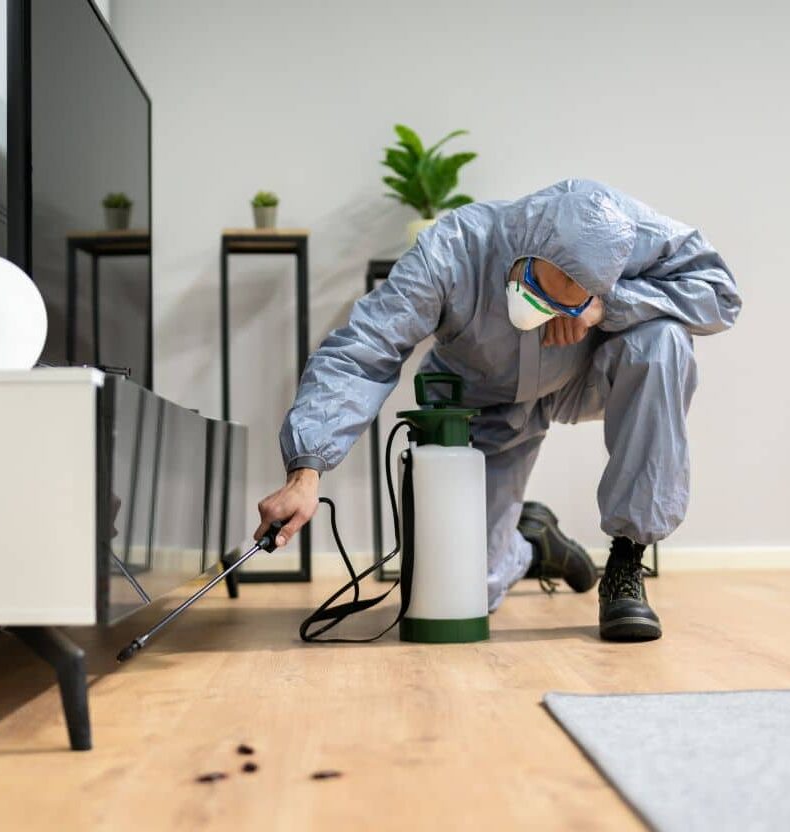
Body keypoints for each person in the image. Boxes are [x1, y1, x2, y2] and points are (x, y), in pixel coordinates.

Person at [255, 179, 741, 641]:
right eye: (540, 289)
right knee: (468, 591)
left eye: (564, 305)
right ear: (526, 248)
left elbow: (720, 294)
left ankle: (626, 562)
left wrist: (608, 307)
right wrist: (307, 471)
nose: (544, 312)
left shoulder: (631, 233)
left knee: (663, 341)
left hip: (580, 377)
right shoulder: (450, 253)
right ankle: (530, 545)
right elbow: (364, 349)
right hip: (483, 403)